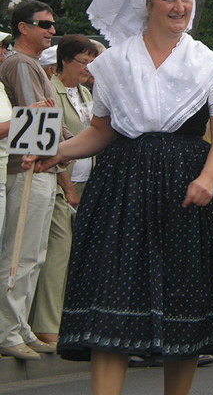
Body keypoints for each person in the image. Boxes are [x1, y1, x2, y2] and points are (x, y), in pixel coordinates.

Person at [32, 0, 213, 394]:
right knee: (113, 300)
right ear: (148, 5)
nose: (180, 7)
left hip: (188, 188)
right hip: (123, 187)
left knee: (184, 304)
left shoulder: (208, 64)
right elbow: (101, 132)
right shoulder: (114, 63)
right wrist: (60, 152)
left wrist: (208, 177)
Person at [0, 0, 59, 361]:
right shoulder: (21, 63)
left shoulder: (31, 63)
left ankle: (20, 326)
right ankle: (7, 330)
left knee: (34, 254)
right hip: (29, 167)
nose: (52, 30)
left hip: (42, 167)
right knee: (20, 252)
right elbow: (34, 119)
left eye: (52, 24)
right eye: (44, 24)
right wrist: (59, 149)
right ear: (23, 27)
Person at [32, 35, 98, 345]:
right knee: (58, 253)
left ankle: (69, 319)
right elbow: (50, 143)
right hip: (62, 183)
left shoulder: (85, 92)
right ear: (64, 61)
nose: (88, 68)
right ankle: (47, 324)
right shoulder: (51, 90)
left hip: (88, 182)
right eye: (83, 62)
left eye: (91, 62)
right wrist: (67, 187)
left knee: (78, 256)